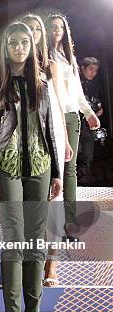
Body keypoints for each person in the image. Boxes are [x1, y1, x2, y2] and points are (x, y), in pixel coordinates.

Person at [0, 21, 61, 312]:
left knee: (36, 241)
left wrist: (57, 171)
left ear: (31, 47)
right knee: (15, 239)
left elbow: (51, 129)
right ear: (5, 47)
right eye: (13, 42)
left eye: (24, 42)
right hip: (5, 167)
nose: (19, 47)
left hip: (40, 166)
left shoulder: (42, 83)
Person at [21, 14, 70, 287]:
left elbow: (59, 103)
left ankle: (52, 266)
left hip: (52, 133)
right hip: (25, 138)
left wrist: (64, 140)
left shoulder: (50, 65)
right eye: (28, 28)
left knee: (54, 200)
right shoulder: (14, 64)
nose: (33, 32)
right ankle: (30, 263)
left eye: (37, 28)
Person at [46, 14, 99, 241]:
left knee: (70, 169)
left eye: (61, 27)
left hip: (70, 115)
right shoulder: (42, 54)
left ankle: (69, 222)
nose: (57, 30)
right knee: (51, 168)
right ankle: (49, 223)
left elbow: (77, 91)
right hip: (49, 115)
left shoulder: (69, 57)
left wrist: (88, 113)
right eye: (53, 26)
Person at [77, 57, 104, 185]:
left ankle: (83, 182)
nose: (93, 72)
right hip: (75, 123)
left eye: (96, 70)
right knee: (76, 153)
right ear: (82, 68)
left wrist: (98, 110)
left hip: (88, 126)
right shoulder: (75, 83)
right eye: (90, 69)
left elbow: (96, 102)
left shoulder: (95, 85)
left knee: (87, 155)